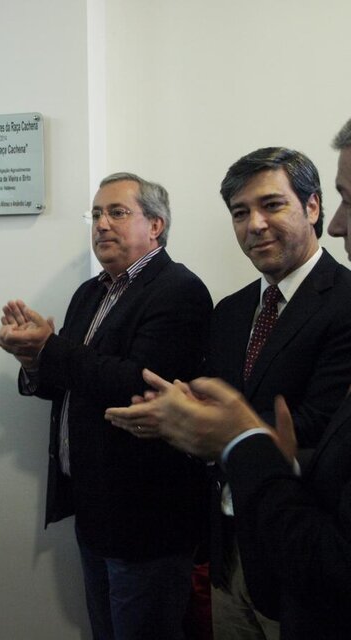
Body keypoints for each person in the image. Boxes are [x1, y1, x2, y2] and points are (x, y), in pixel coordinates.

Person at [105, 118, 351, 640]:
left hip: (303, 556)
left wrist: (210, 427)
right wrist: (180, 411)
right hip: (228, 548)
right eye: (240, 213)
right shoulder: (232, 310)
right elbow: (214, 400)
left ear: (312, 207)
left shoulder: (346, 301)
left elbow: (319, 424)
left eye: (272, 205)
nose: (254, 225)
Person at [0, 172, 212, 640]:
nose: (101, 224)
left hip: (148, 517)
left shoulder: (178, 290)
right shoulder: (90, 292)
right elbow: (70, 381)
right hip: (94, 507)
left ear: (155, 225)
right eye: (96, 214)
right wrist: (32, 359)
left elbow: (139, 385)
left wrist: (50, 347)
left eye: (117, 212)